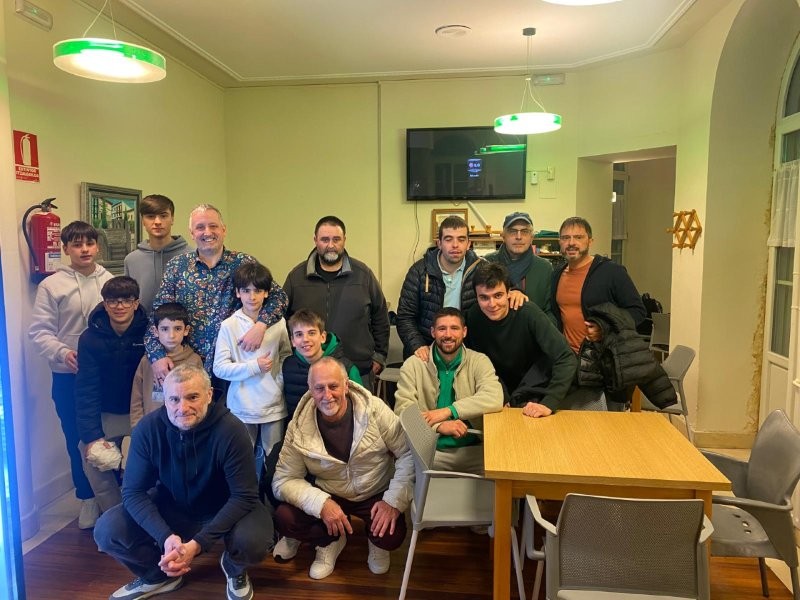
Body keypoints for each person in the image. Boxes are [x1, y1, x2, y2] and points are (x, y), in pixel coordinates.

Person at [94, 364, 272, 600]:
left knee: (255, 542)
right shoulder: (148, 429)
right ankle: (158, 576)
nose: (182, 408)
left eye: (192, 397)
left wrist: (198, 544)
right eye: (174, 399)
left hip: (225, 505)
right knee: (107, 530)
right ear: (165, 398)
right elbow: (133, 492)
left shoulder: (231, 430)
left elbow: (244, 495)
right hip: (173, 505)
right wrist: (165, 538)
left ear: (209, 395)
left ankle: (234, 568)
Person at [271, 358, 413, 580]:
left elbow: (407, 453)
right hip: (331, 492)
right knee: (285, 518)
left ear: (346, 385)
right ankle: (330, 541)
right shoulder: (298, 425)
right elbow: (283, 479)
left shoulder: (374, 409)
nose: (327, 395)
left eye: (333, 386)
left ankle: (376, 540)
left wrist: (393, 501)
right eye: (319, 388)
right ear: (310, 390)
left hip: (374, 489)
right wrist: (321, 504)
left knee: (390, 536)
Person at [145, 204, 288, 394]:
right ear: (192, 233)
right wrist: (157, 356)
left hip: (234, 364)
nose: (207, 232)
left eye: (213, 226)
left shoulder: (243, 263)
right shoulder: (177, 267)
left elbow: (279, 297)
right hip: (187, 363)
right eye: (200, 227)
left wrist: (261, 325)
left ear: (223, 230)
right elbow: (157, 314)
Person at [28, 220, 113, 529]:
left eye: (89, 243)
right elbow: (39, 332)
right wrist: (64, 353)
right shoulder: (52, 286)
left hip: (106, 375)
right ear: (66, 249)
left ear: (97, 247)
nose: (84, 249)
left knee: (108, 435)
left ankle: (111, 498)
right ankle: (87, 497)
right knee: (77, 437)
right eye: (77, 245)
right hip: (69, 376)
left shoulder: (111, 281)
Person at [283, 216, 389, 390]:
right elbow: (283, 320)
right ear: (315, 240)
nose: (331, 245)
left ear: (344, 240)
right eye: (325, 239)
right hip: (308, 373)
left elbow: (381, 316)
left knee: (359, 409)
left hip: (358, 369)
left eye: (336, 239)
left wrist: (379, 356)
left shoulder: (363, 275)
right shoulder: (296, 277)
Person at [551, 216, 646, 410]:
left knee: (607, 423)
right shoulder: (557, 274)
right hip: (571, 364)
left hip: (606, 366)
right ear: (560, 242)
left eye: (578, 237)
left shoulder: (612, 272)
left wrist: (605, 328)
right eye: (566, 237)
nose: (571, 243)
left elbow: (638, 311)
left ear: (590, 241)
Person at [394, 307, 502, 474]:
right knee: (403, 481)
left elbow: (494, 397)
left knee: (505, 477)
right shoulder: (413, 365)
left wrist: (449, 411)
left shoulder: (479, 361)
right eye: (442, 329)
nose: (448, 335)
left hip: (474, 451)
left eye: (454, 328)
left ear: (464, 332)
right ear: (433, 332)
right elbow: (403, 411)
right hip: (429, 450)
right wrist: (439, 426)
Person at [75, 276, 148, 513]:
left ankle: (144, 513)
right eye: (113, 301)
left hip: (143, 410)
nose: (119, 306)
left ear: (136, 303)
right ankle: (114, 516)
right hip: (107, 411)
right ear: (105, 304)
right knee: (90, 455)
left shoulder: (152, 333)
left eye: (126, 300)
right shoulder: (89, 339)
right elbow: (86, 388)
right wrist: (91, 436)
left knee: (151, 462)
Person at [465, 263, 575, 418]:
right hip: (498, 392)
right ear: (476, 297)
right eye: (484, 297)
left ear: (509, 292)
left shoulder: (528, 313)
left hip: (536, 390)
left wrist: (549, 403)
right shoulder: (473, 317)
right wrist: (502, 397)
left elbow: (566, 357)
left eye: (498, 295)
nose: (492, 304)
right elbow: (480, 364)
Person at [213, 261, 292, 455]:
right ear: (238, 293)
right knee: (242, 457)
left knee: (274, 457)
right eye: (246, 291)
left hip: (273, 404)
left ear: (266, 293)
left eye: (258, 291)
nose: (252, 296)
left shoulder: (278, 323)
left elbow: (286, 355)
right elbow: (219, 368)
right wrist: (254, 366)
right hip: (241, 406)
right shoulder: (229, 325)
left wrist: (278, 381)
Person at [396, 215, 483, 361]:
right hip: (426, 350)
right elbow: (405, 316)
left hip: (468, 351)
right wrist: (418, 346)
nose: (455, 245)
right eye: (448, 239)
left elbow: (501, 295)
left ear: (469, 244)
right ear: (439, 243)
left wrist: (515, 292)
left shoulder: (481, 269)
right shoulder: (419, 271)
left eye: (461, 239)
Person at [130, 303, 203, 429]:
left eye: (177, 329)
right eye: (164, 329)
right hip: (151, 428)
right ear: (155, 331)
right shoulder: (147, 361)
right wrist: (137, 428)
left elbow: (199, 397)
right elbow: (137, 397)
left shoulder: (194, 361)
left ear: (186, 330)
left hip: (183, 428)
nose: (171, 335)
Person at [282, 308, 362, 421]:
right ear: (293, 341)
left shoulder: (346, 368)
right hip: (300, 429)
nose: (305, 339)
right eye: (299, 334)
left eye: (311, 333)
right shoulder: (288, 366)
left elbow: (361, 406)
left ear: (323, 337)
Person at [123, 194, 188, 315]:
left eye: (163, 216)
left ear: (172, 219)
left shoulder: (192, 256)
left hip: (184, 325)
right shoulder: (131, 260)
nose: (157, 222)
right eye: (150, 216)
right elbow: (128, 301)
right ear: (143, 220)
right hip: (143, 325)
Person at [485, 211, 555, 322]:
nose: (519, 237)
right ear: (503, 236)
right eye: (512, 231)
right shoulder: (487, 263)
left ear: (532, 237)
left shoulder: (544, 268)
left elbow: (549, 310)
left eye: (525, 232)